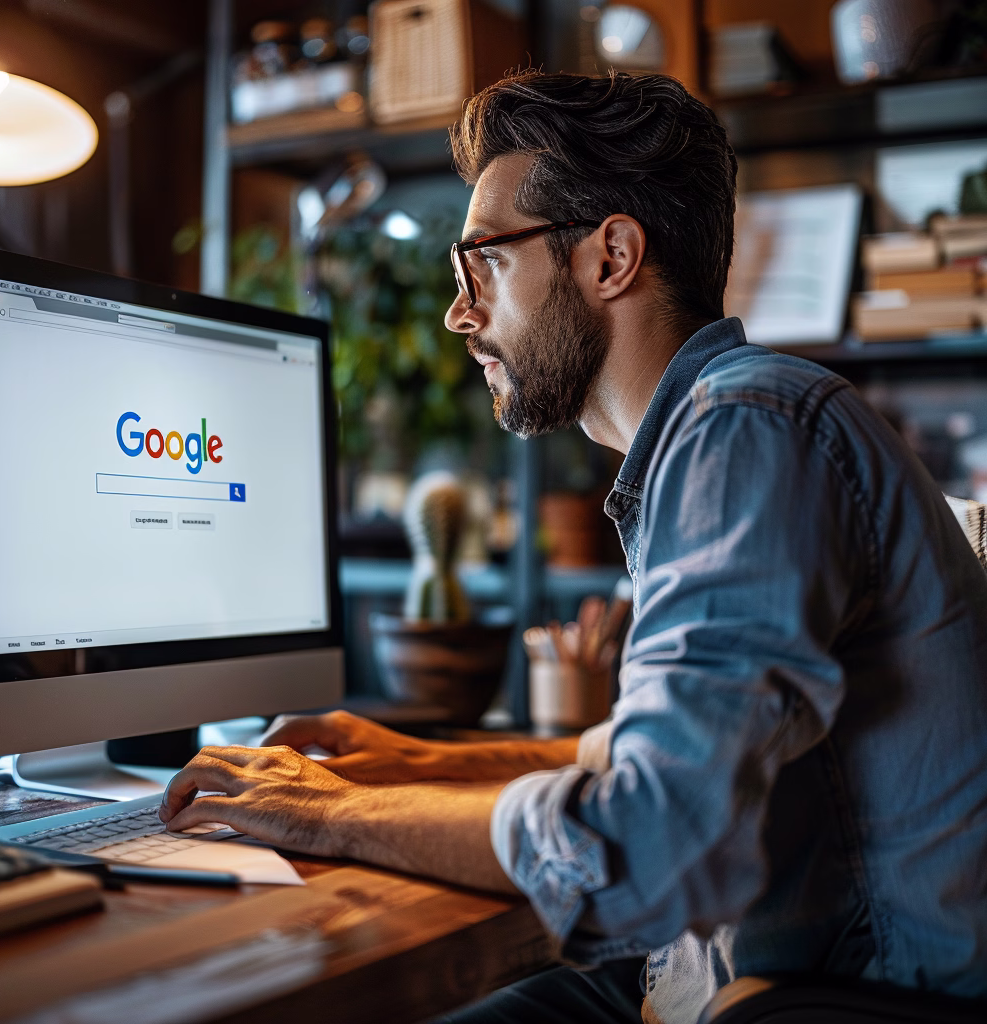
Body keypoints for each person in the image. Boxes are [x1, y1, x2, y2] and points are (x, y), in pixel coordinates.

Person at [160, 72, 987, 1023]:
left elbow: (651, 836)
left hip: (832, 1003)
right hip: (724, 979)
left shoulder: (746, 427)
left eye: (483, 264)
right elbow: (640, 758)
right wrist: (397, 762)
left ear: (611, 257)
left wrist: (317, 812)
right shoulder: (721, 433)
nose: (458, 314)